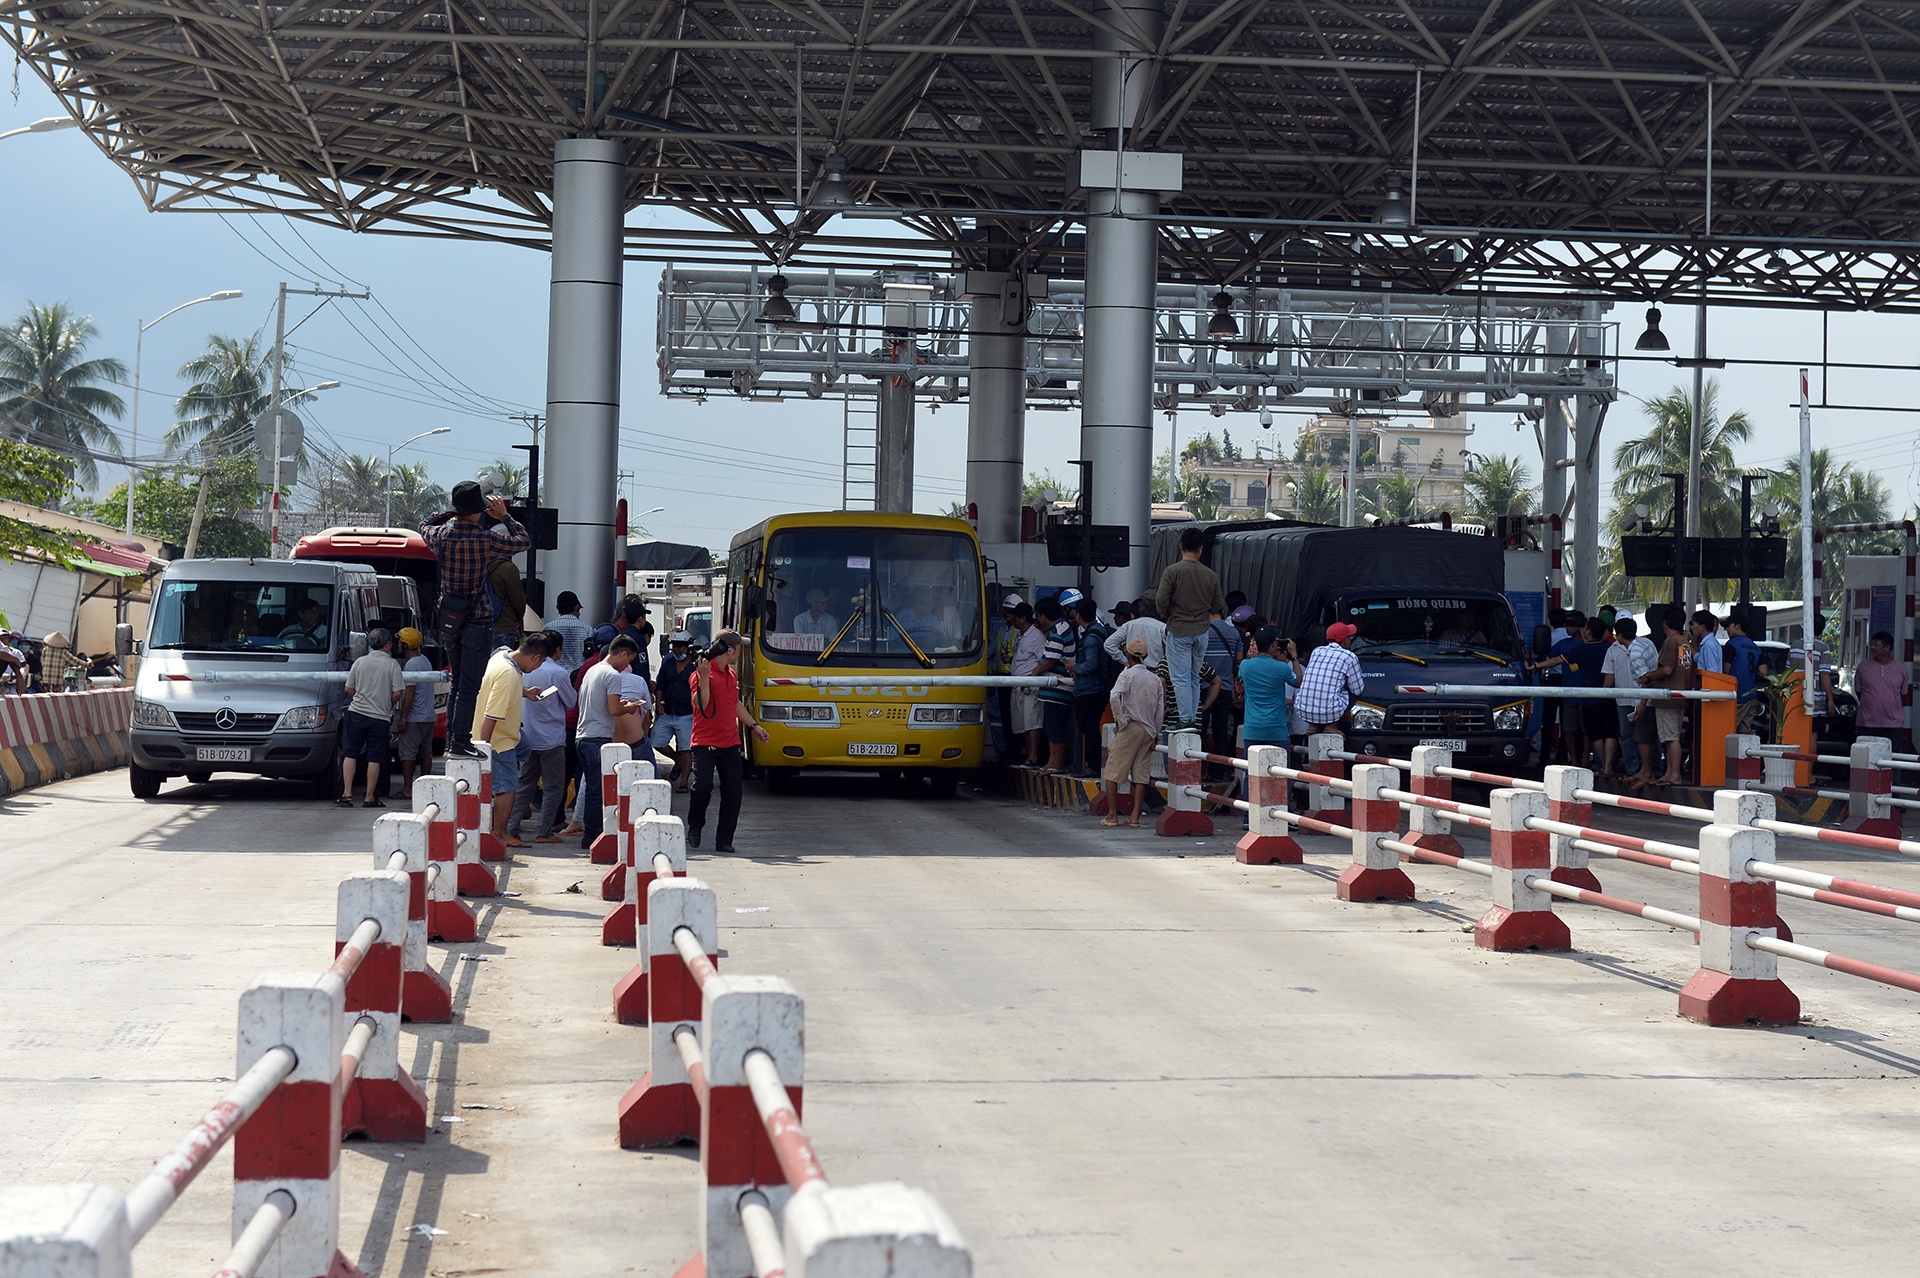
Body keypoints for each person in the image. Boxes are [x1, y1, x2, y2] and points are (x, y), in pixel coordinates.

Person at [422, 482, 531, 755]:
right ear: (480, 510)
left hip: (450, 618)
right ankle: (460, 742)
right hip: (478, 619)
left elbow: (424, 523)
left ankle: (451, 741)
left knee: (457, 682)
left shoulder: (441, 537)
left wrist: (449, 513)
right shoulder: (486, 539)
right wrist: (504, 515)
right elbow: (523, 540)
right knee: (470, 685)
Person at [688, 631, 771, 853]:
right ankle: (695, 825)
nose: (740, 651)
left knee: (733, 792)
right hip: (705, 742)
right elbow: (703, 707)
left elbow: (735, 704)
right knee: (702, 787)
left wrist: (754, 726)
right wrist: (704, 677)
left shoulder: (731, 675)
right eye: (739, 647)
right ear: (728, 649)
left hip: (729, 743)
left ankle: (724, 839)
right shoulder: (700, 674)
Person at [474, 634, 549, 844]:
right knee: (507, 786)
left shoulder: (501, 656)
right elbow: (490, 716)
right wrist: (484, 751)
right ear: (536, 657)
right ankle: (500, 833)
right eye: (540, 663)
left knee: (526, 749)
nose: (536, 669)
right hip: (499, 740)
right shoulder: (508, 674)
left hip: (511, 732)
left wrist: (525, 692)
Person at [574, 633, 647, 850]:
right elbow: (615, 710)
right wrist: (630, 707)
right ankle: (593, 835)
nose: (627, 666)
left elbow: (602, 703)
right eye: (629, 660)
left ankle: (591, 831)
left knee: (591, 786)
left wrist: (620, 703)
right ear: (623, 654)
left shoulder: (592, 670)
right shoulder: (613, 676)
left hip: (583, 735)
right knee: (599, 789)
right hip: (598, 738)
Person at [1154, 526, 1227, 729]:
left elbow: (1160, 600)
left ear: (1180, 547)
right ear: (1201, 549)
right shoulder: (1210, 574)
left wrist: (1168, 613)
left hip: (1179, 629)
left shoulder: (1172, 571)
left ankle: (1185, 720)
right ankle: (1193, 718)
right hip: (1202, 631)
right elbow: (1217, 604)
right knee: (1195, 677)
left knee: (1180, 678)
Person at [508, 632, 576, 845]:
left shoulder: (520, 668)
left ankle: (511, 828)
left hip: (527, 735)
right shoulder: (558, 672)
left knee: (524, 785)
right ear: (555, 650)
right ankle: (543, 831)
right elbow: (571, 701)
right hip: (552, 739)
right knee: (553, 787)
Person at [1100, 637, 1165, 828]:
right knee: (1141, 774)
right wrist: (1155, 730)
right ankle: (1134, 816)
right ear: (1145, 655)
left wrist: (1121, 719)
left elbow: (1114, 695)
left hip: (1131, 726)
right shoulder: (1154, 679)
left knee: (1113, 772)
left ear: (1127, 654)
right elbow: (1160, 709)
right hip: (1148, 729)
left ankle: (1112, 815)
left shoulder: (1127, 675)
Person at [339, 627, 404, 807]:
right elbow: (398, 692)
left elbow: (348, 688)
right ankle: (369, 797)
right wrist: (387, 704)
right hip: (380, 717)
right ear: (388, 644)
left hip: (357, 713)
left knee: (350, 753)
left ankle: (347, 794)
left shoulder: (360, 662)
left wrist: (360, 699)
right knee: (375, 757)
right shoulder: (392, 665)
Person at [1239, 627, 1302, 795]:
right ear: (1274, 645)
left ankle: (1248, 816)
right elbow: (1298, 682)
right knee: (1281, 775)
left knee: (1251, 773)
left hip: (1252, 729)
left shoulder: (1245, 666)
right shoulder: (1282, 668)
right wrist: (1294, 656)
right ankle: (1284, 813)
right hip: (1276, 730)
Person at [1638, 605, 1691, 788]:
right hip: (1681, 695)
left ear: (1665, 623)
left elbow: (1667, 669)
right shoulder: (1684, 642)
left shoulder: (1670, 642)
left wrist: (1648, 675)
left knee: (1671, 737)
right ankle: (1670, 773)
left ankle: (1674, 774)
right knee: (1672, 736)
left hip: (1668, 695)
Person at [391, 627, 438, 799]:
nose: (397, 644)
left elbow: (410, 693)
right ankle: (425, 788)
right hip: (428, 716)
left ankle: (408, 789)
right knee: (426, 753)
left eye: (399, 641)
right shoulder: (424, 660)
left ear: (404, 644)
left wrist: (403, 717)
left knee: (408, 753)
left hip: (415, 717)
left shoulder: (411, 665)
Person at [1295, 622, 1365, 733]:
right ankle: (1332, 726)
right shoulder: (1349, 656)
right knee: (1353, 692)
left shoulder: (1317, 651)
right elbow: (1357, 689)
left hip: (1303, 711)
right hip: (1330, 713)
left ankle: (1313, 726)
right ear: (1345, 640)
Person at [1067, 593, 1109, 777]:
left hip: (1090, 690)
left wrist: (1074, 667)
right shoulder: (1100, 631)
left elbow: (1091, 664)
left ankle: (1092, 765)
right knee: (1090, 728)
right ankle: (1091, 764)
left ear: (1078, 615)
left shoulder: (1091, 638)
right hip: (1095, 688)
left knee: (1090, 729)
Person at [1034, 597, 1076, 774]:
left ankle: (1056, 762)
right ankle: (1052, 760)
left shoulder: (1058, 630)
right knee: (1052, 727)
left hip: (1058, 689)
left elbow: (1051, 659)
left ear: (1043, 616)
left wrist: (1034, 673)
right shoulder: (1061, 628)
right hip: (1054, 689)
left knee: (1055, 727)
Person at [652, 631, 699, 791]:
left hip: (687, 714)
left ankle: (684, 783)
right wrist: (658, 703)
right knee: (656, 741)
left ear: (688, 647)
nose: (677, 650)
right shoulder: (668, 663)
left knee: (686, 749)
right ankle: (677, 760)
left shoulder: (696, 664)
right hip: (668, 711)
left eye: (681, 646)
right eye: (675, 646)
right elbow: (660, 685)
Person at [1855, 629, 1911, 752]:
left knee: (1893, 760)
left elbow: (1903, 693)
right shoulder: (1863, 667)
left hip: (1893, 726)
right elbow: (1859, 691)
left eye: (1876, 645)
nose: (1873, 648)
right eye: (1872, 645)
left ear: (1887, 648)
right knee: (1866, 762)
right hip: (1867, 724)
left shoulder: (1901, 669)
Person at [1201, 603, 1243, 762]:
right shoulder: (1234, 633)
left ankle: (1200, 768)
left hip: (1205, 686)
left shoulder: (1203, 632)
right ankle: (1218, 771)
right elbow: (1239, 660)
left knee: (1202, 730)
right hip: (1226, 688)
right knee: (1221, 731)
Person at [1008, 602, 1046, 766]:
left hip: (1030, 687)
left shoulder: (1036, 637)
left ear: (1022, 618)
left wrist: (1034, 674)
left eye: (1015, 617)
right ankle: (1028, 756)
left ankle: (1033, 756)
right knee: (1022, 724)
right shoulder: (1019, 635)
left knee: (1032, 722)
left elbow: (1043, 660)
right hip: (1017, 685)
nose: (1012, 620)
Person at [1603, 617, 1641, 779]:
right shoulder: (1613, 649)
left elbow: (1609, 676)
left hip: (1641, 699)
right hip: (1626, 700)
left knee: (1640, 736)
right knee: (1628, 736)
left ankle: (1647, 770)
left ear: (1619, 634)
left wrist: (1602, 694)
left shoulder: (1641, 647)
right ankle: (1634, 770)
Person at [1724, 612, 1770, 737]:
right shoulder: (1756, 648)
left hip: (1737, 696)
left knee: (1727, 731)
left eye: (1729, 626)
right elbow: (1764, 672)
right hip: (1751, 697)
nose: (1727, 629)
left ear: (1737, 626)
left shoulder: (1731, 645)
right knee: (1745, 734)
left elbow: (1725, 672)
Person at [991, 592, 1024, 765]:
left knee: (1014, 718)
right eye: (1005, 611)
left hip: (1013, 678)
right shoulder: (1003, 630)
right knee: (1004, 716)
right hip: (1000, 677)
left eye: (1010, 612)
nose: (1006, 615)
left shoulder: (1020, 632)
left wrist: (1009, 660)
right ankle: (1007, 750)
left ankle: (1015, 751)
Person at [1104, 597, 1167, 675]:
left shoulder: (1128, 626)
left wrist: (1125, 661)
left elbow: (1108, 644)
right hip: (1156, 673)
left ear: (1133, 614)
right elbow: (1172, 650)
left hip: (1133, 671)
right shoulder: (1161, 627)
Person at [543, 590, 593, 672]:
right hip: (579, 674)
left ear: (557, 608)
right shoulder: (587, 629)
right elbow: (590, 654)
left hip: (553, 672)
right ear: (576, 607)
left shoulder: (548, 628)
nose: (579, 614)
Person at [488, 556, 526, 650]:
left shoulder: (479, 566)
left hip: (479, 625)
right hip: (504, 624)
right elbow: (518, 600)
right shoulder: (508, 568)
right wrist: (520, 619)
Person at [1690, 610, 1723, 675]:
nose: (1691, 628)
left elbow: (1712, 672)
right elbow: (1699, 659)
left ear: (1702, 627)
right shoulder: (1710, 642)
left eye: (1693, 625)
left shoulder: (1709, 645)